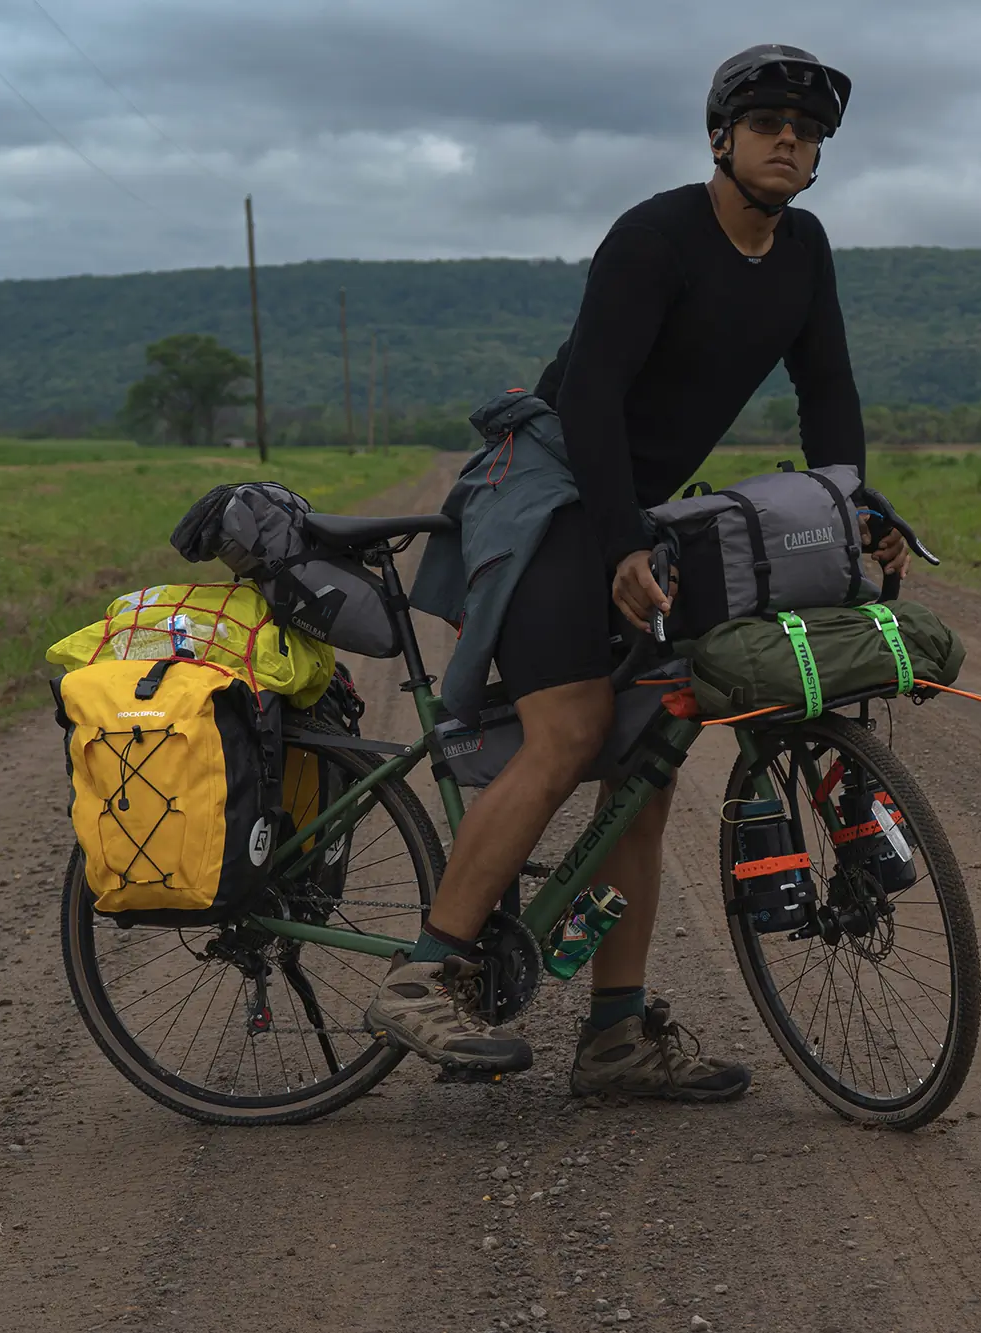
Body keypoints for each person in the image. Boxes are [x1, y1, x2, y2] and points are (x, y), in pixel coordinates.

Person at [366, 44, 911, 1100]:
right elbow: (594, 400)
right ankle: (425, 972)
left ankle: (612, 1035)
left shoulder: (802, 251)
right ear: (721, 138)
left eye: (805, 131)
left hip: (628, 500)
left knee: (646, 769)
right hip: (549, 489)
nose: (787, 140)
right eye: (766, 124)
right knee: (569, 729)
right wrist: (620, 543)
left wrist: (855, 505)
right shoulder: (654, 236)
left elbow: (828, 388)